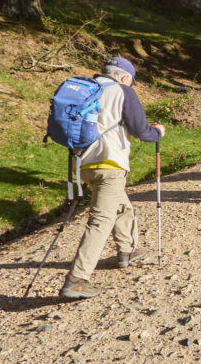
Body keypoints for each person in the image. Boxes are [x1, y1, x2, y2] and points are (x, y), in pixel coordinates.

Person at [61, 56, 165, 300]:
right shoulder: (123, 92)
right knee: (100, 221)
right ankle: (77, 279)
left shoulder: (87, 89)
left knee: (122, 206)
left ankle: (127, 251)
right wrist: (157, 132)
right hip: (109, 163)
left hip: (82, 164)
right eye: (131, 81)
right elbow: (141, 130)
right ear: (125, 77)